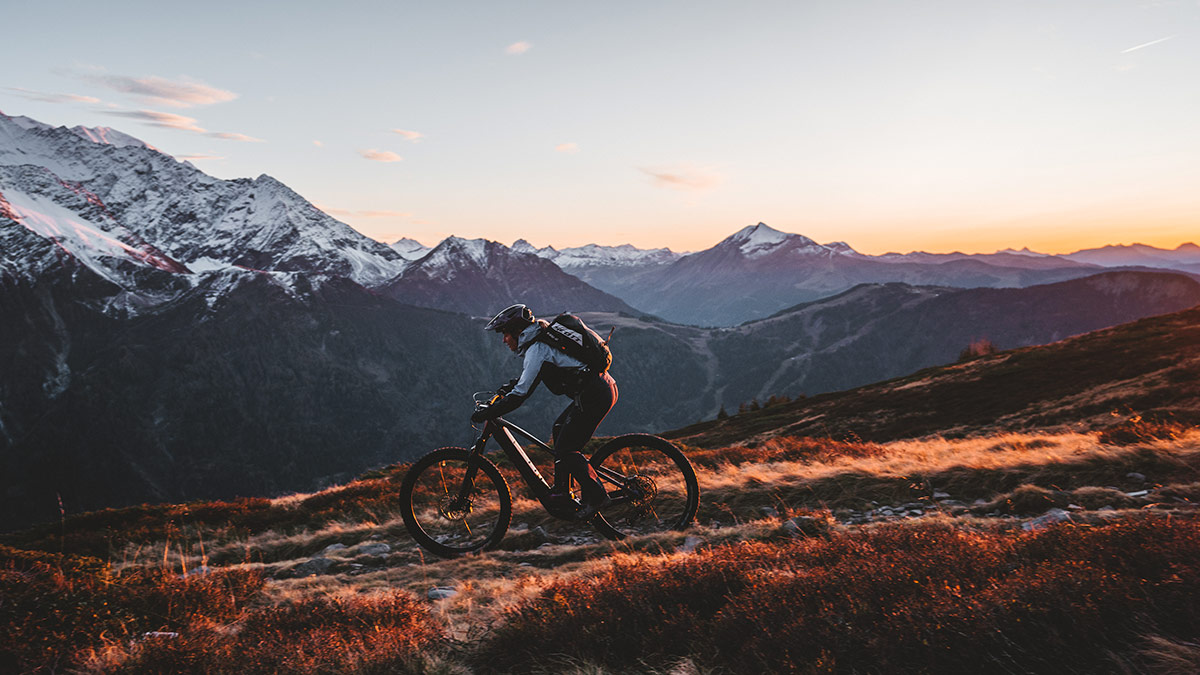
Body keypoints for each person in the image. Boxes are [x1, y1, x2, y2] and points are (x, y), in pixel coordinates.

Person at [471, 303, 617, 520]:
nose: (503, 340)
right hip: (599, 389)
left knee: (567, 449)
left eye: (504, 334)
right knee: (559, 430)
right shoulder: (539, 342)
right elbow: (533, 376)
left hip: (595, 395)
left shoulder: (537, 348)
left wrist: (490, 412)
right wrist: (509, 388)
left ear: (517, 332)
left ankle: (597, 497)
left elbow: (522, 394)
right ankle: (562, 492)